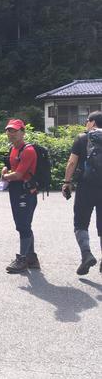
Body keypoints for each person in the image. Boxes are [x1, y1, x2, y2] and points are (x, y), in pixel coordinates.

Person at [61, 110, 102, 275]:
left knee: (80, 223)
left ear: (92, 122)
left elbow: (72, 163)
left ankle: (86, 254)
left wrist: (67, 183)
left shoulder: (82, 138)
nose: (86, 124)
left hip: (86, 187)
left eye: (87, 121)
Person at [0, 119, 40, 273]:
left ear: (23, 132)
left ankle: (22, 259)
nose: (11, 133)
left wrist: (5, 177)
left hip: (25, 192)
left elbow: (18, 175)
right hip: (17, 190)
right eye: (9, 130)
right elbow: (11, 167)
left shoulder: (28, 150)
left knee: (23, 225)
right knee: (24, 225)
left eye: (15, 130)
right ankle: (31, 258)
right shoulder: (13, 149)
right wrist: (5, 169)